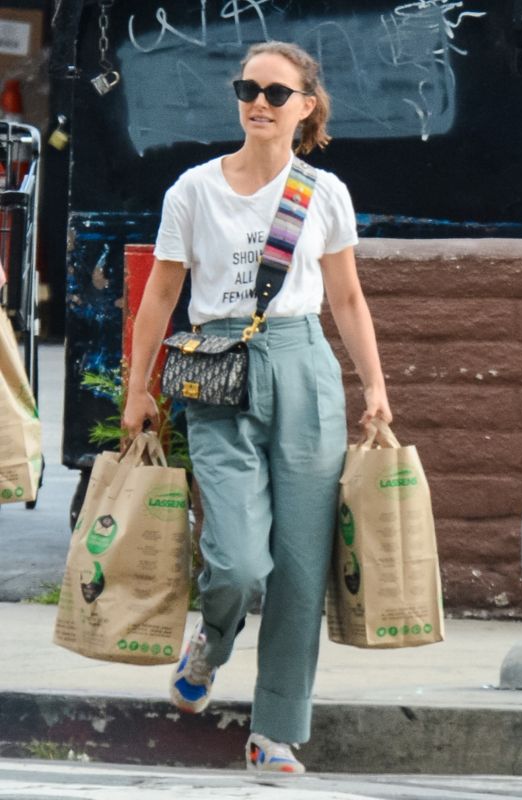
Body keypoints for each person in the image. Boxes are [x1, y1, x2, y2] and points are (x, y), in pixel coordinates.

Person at [123, 40, 392, 774]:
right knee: (239, 561)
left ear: (306, 106)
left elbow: (345, 297)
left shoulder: (322, 192)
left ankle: (274, 731)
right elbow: (161, 295)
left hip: (304, 367)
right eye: (249, 89)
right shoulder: (193, 191)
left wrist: (373, 386)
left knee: (303, 569)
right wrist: (137, 387)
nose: (259, 103)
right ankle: (211, 638)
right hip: (218, 371)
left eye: (277, 93)